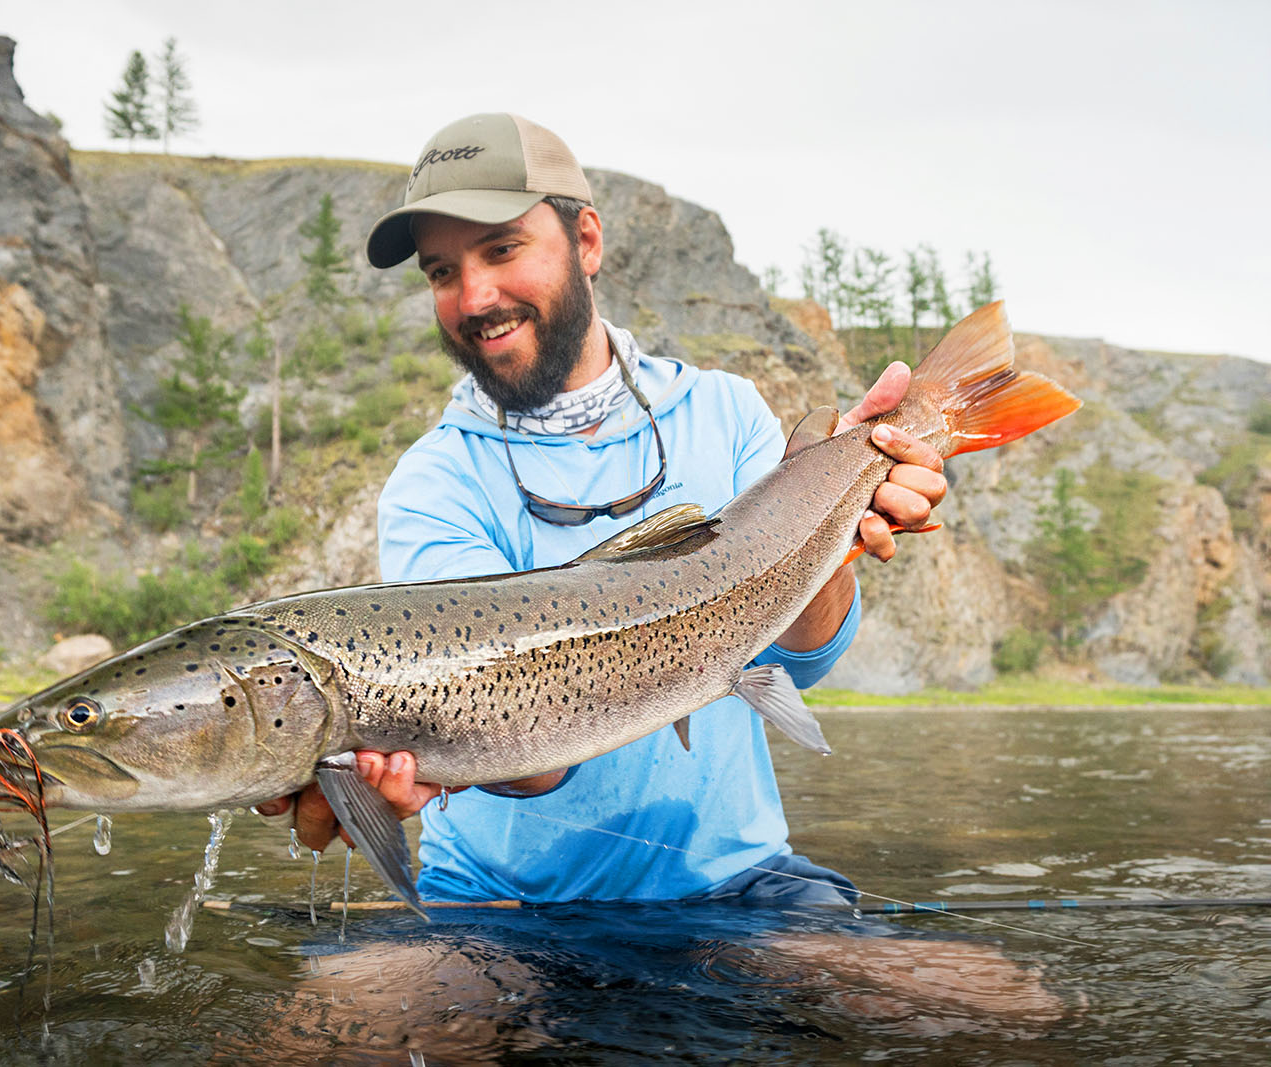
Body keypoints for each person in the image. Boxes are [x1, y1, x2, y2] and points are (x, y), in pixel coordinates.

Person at [256, 113, 947, 906]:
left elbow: (802, 660)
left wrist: (838, 509)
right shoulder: (434, 480)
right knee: (322, 1028)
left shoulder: (726, 411)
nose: (474, 295)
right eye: (442, 272)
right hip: (491, 903)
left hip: (736, 884)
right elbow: (533, 757)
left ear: (586, 240)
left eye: (501, 249)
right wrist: (381, 777)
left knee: (1000, 1005)